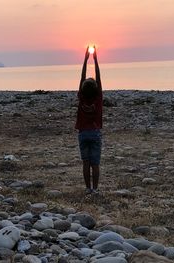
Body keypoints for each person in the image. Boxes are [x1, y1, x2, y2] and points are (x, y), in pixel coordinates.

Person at [75, 46, 103, 195]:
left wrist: (85, 60)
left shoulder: (81, 98)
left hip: (83, 134)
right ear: (97, 89)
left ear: (83, 91)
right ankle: (96, 189)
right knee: (95, 163)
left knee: (86, 163)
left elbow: (81, 78)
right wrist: (95, 60)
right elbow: (99, 77)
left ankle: (87, 188)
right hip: (95, 133)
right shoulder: (98, 99)